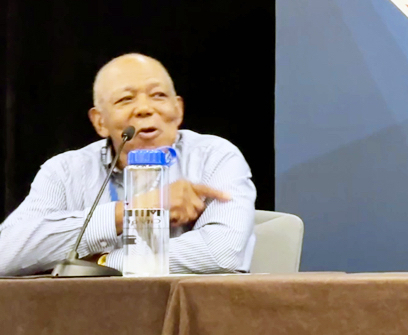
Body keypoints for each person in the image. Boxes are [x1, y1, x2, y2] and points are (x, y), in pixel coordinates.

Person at [0, 53, 256, 275]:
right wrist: (129, 211)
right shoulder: (65, 172)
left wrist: (102, 263)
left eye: (158, 95)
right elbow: (6, 252)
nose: (144, 109)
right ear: (100, 122)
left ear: (178, 110)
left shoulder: (214, 157)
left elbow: (223, 252)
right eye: (125, 99)